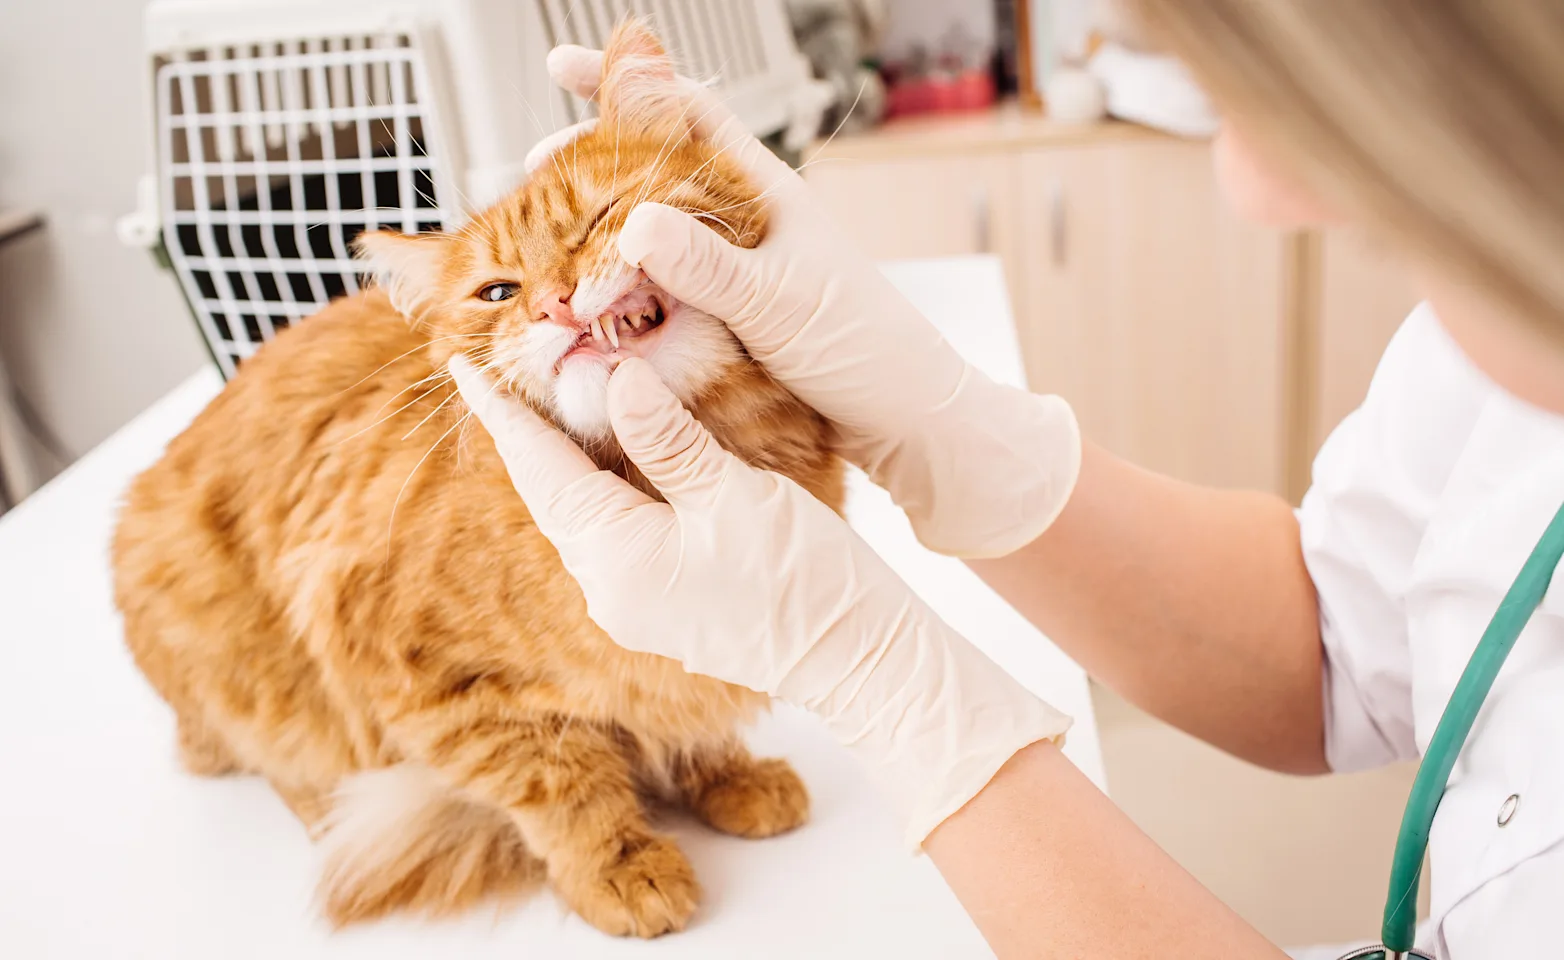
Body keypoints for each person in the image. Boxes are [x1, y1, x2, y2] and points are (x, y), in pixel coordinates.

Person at [449, 4, 1564, 957]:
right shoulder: (1509, 330)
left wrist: (879, 677)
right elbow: (1336, 639)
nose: (1253, 185)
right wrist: (942, 426)